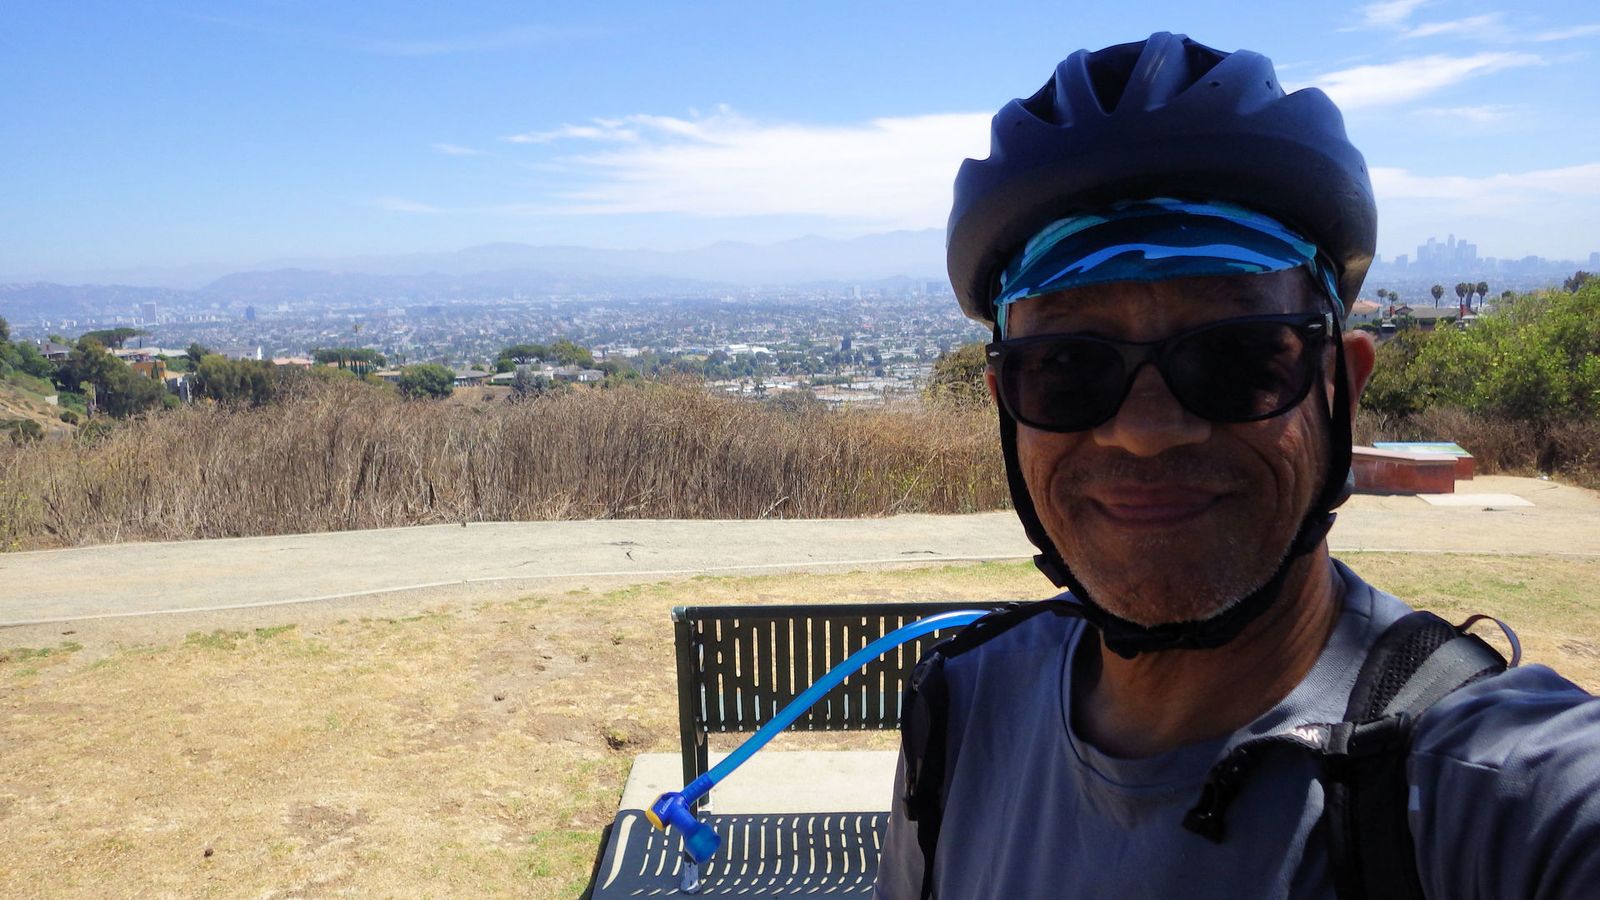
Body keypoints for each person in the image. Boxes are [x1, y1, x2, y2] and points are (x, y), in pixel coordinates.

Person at [874, 33, 1600, 899]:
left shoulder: (1501, 797)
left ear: (1341, 388)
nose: (1147, 432)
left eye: (1237, 355)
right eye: (1067, 367)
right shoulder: (961, 713)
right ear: (1006, 401)